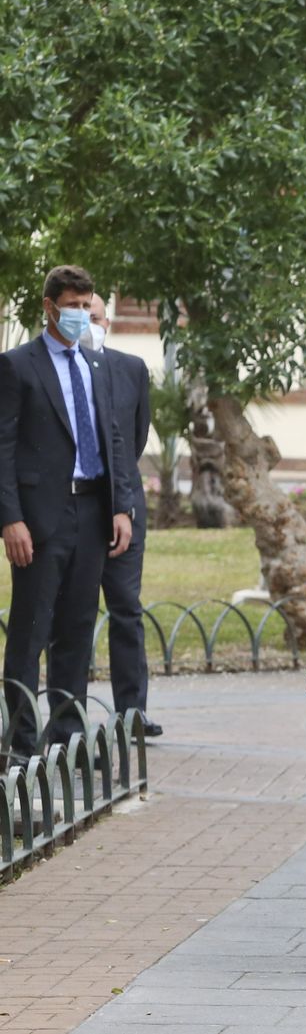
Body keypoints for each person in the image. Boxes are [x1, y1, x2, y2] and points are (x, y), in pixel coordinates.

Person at [0, 265, 134, 758]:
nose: (80, 314)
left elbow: (113, 439)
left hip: (93, 513)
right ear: (49, 307)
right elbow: (2, 446)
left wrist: (121, 507)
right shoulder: (18, 366)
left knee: (77, 630)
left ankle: (68, 737)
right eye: (71, 306)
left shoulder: (93, 364)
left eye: (86, 305)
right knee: (31, 631)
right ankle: (20, 744)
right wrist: (9, 518)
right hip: (39, 519)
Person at [85, 295, 160, 737]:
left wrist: (121, 498)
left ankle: (133, 713)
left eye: (93, 316)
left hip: (126, 507)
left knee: (127, 610)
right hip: (75, 511)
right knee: (71, 615)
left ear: (107, 322)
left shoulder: (131, 368)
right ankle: (66, 720)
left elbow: (134, 438)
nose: (87, 323)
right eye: (78, 315)